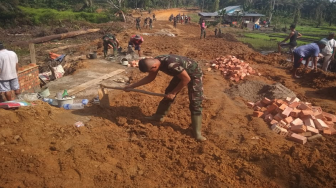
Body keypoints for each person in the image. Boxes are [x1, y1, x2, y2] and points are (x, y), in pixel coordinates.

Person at [123, 55, 207, 141]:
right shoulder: (155, 62)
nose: (150, 72)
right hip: (180, 73)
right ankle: (159, 116)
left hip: (193, 74)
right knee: (168, 93)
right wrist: (132, 86)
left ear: (154, 67)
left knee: (195, 100)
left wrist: (174, 93)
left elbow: (186, 79)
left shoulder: (171, 64)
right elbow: (150, 78)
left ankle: (197, 133)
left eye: (150, 71)